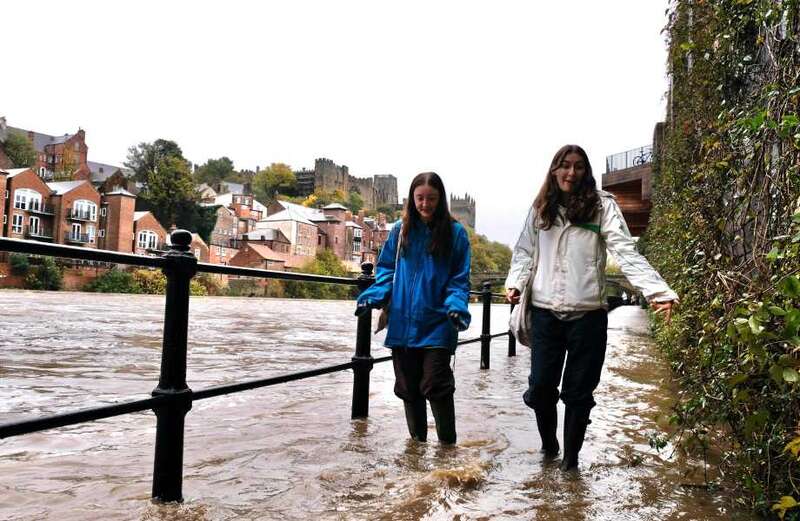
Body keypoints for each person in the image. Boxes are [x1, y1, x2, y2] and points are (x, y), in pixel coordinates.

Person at [505, 144, 677, 470]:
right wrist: (515, 281)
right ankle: (549, 446)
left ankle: (570, 466)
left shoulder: (603, 207)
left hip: (588, 314)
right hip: (544, 311)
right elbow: (524, 251)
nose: (572, 173)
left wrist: (657, 291)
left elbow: (626, 252)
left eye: (579, 167)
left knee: (579, 394)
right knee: (542, 388)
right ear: (554, 170)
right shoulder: (540, 208)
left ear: (586, 172)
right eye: (565, 166)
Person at [356, 172, 471, 445]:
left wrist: (455, 307)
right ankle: (417, 453)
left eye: (431, 198)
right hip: (403, 322)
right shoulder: (400, 229)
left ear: (440, 199)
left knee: (436, 385)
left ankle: (447, 449)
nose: (425, 204)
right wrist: (374, 295)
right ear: (412, 199)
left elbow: (459, 279)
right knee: (408, 389)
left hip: (438, 321)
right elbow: (386, 268)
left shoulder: (455, 234)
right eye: (420, 198)